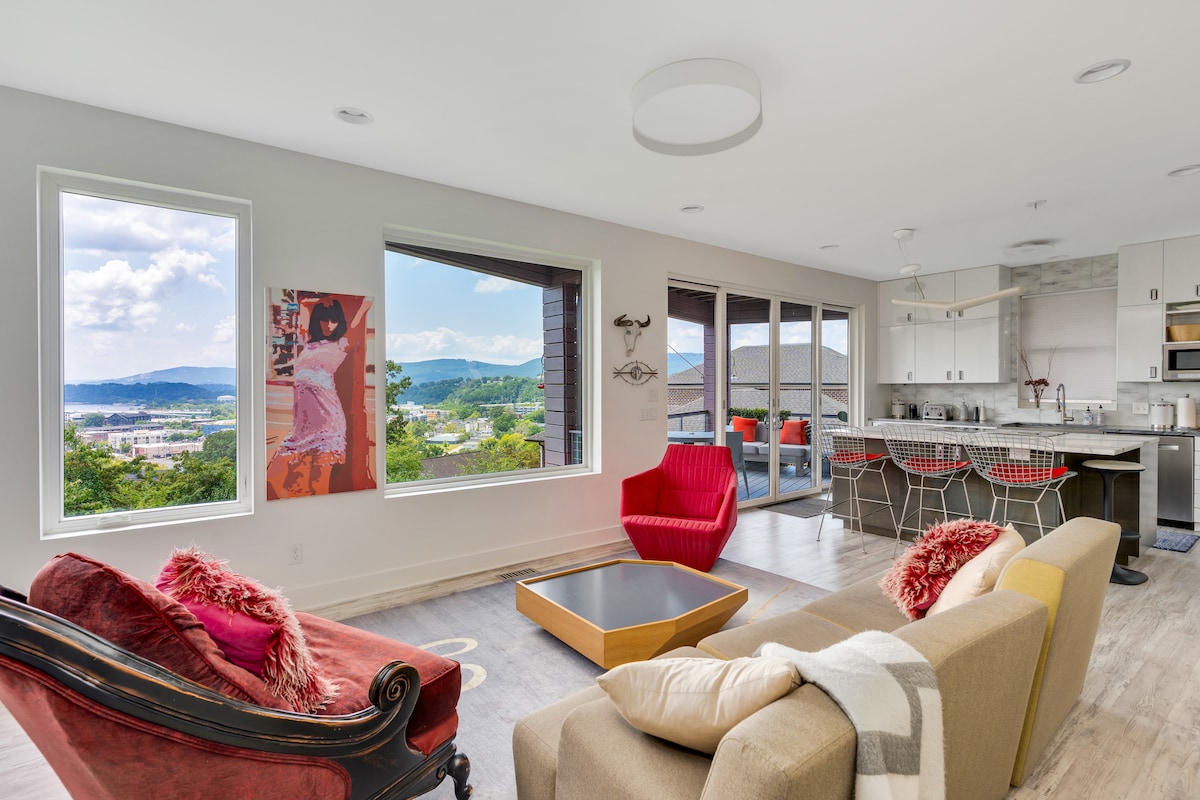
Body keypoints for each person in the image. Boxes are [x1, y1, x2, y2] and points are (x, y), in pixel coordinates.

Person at [267, 295, 369, 498]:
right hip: (301, 429)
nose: (329, 325)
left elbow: (359, 318)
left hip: (327, 425)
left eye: (334, 320)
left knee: (317, 487)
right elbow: (302, 309)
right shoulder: (307, 342)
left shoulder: (341, 343)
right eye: (324, 319)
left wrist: (366, 304)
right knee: (274, 476)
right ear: (316, 320)